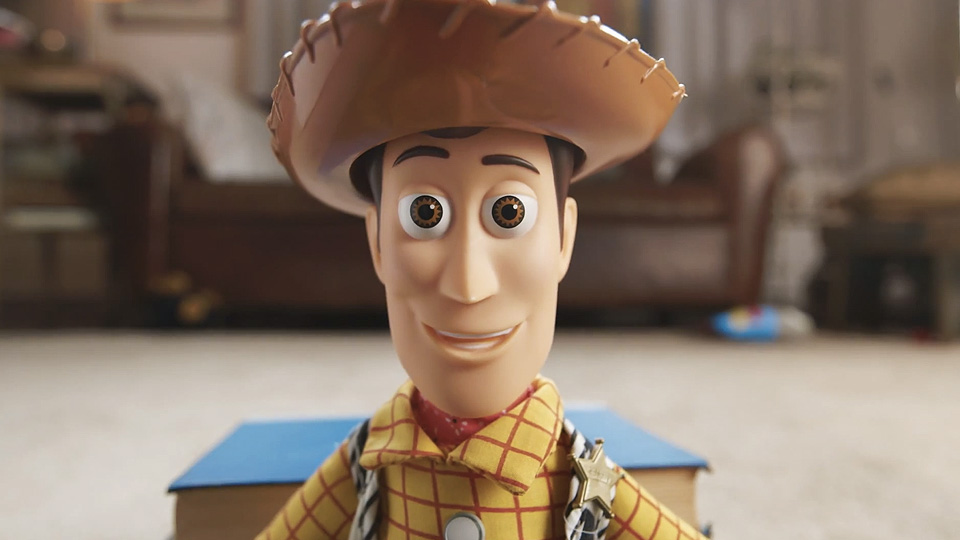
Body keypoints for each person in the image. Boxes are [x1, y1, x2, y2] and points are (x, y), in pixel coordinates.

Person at [258, 1, 700, 539]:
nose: (467, 285)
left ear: (564, 237)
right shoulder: (368, 460)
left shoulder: (581, 477)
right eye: (424, 213)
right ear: (376, 241)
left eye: (508, 212)